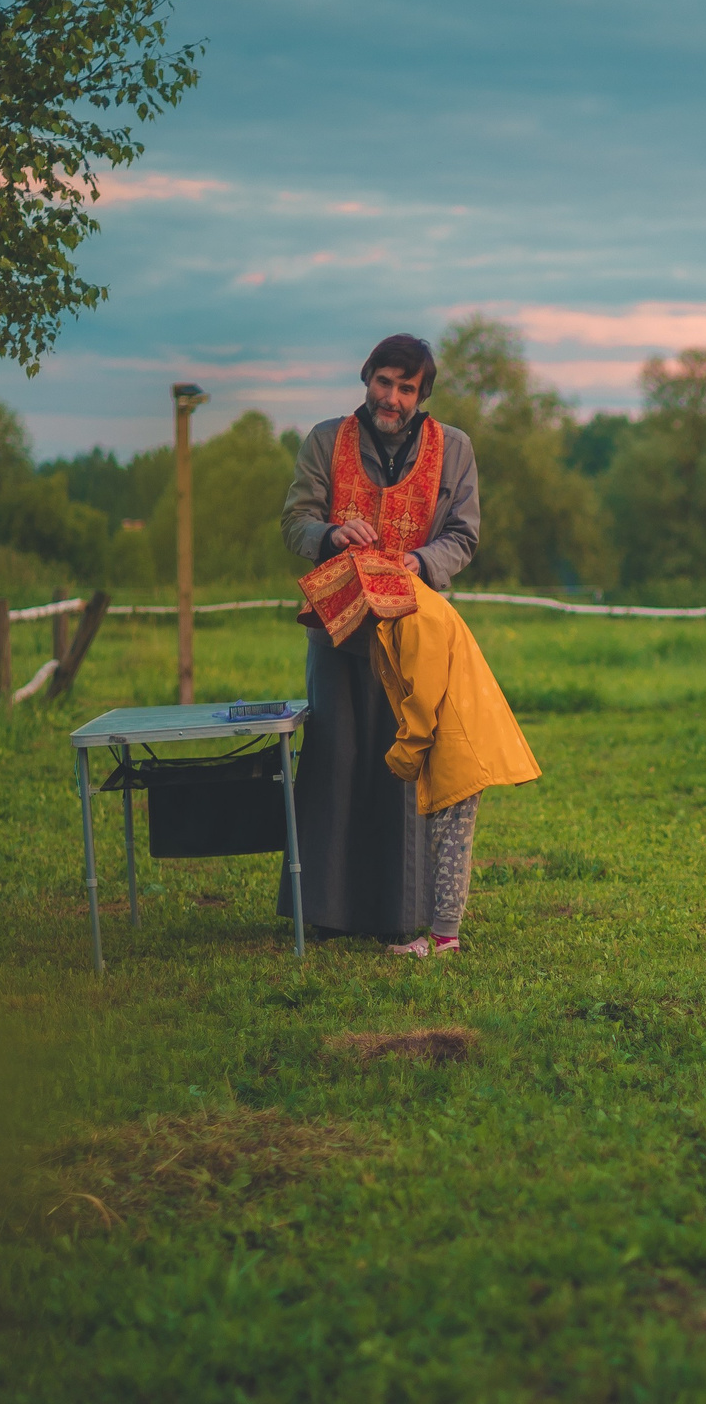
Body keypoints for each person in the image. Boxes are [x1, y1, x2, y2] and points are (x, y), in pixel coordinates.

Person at [279, 333, 522, 957]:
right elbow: (295, 521)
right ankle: (326, 913)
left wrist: (418, 560)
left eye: (406, 388)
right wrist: (332, 531)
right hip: (339, 628)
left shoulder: (457, 449)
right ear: (367, 378)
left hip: (416, 634)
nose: (392, 397)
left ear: (422, 395)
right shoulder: (324, 440)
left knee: (404, 766)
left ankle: (403, 915)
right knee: (334, 759)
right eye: (384, 382)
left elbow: (464, 537)